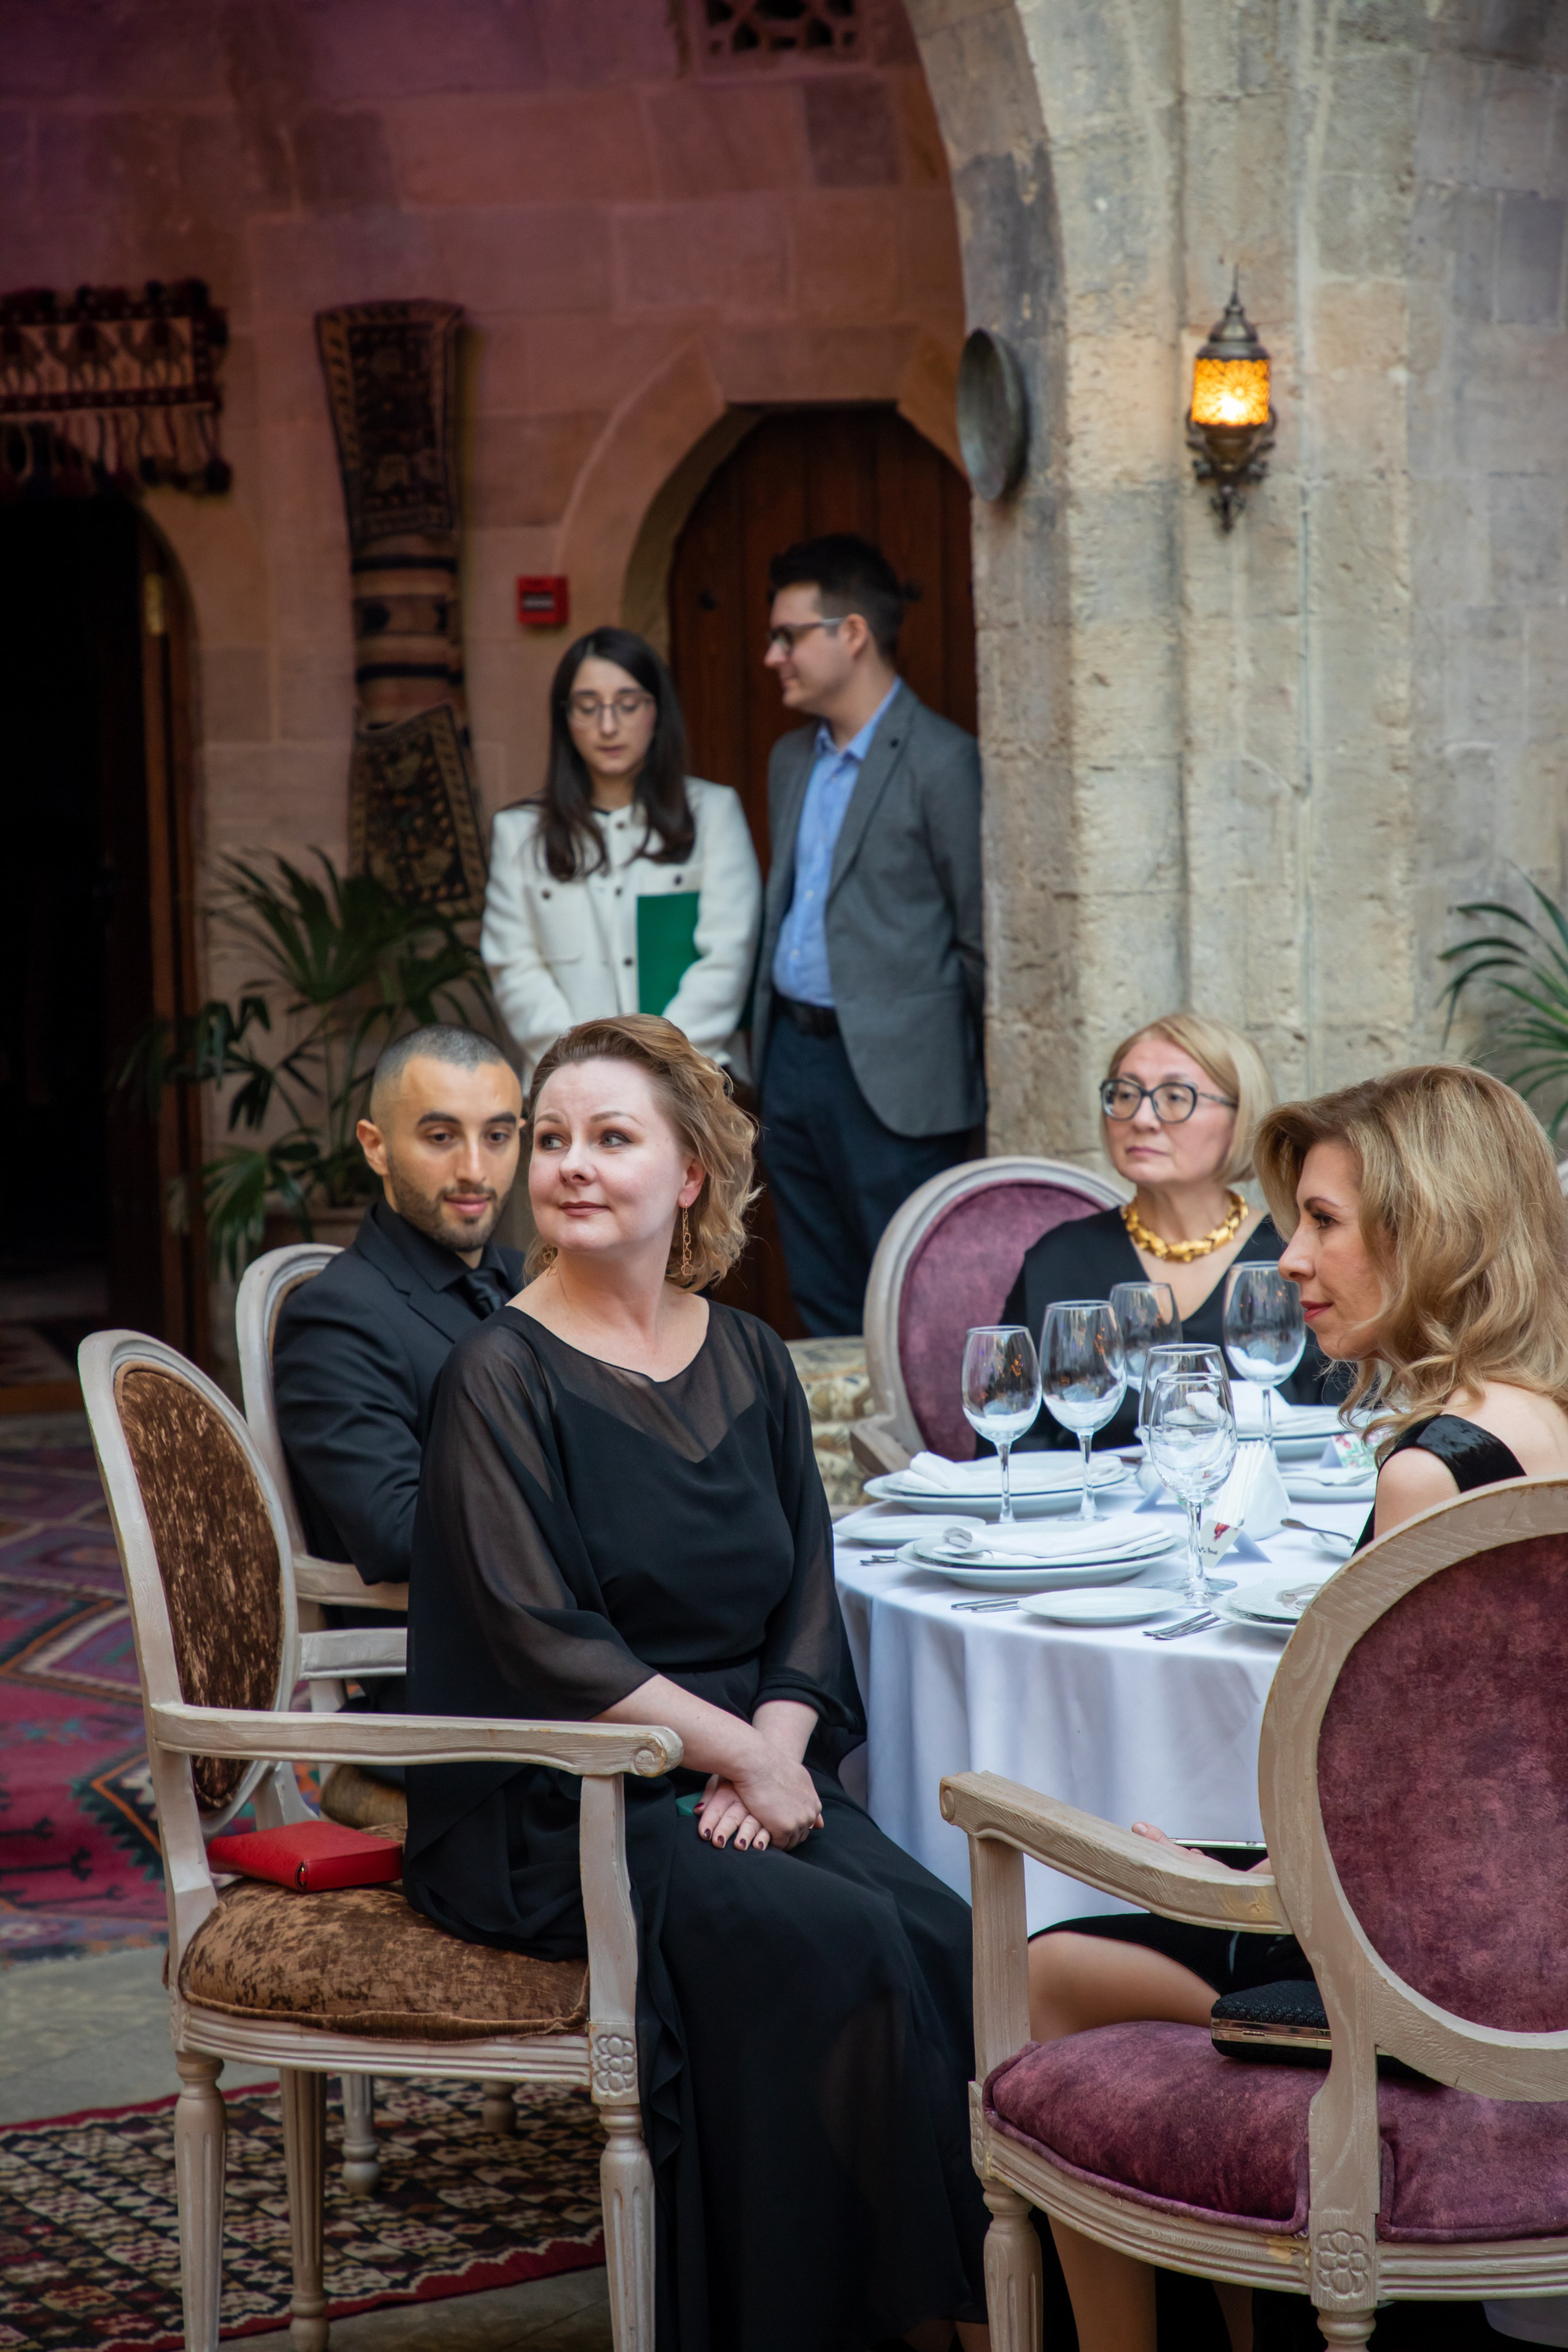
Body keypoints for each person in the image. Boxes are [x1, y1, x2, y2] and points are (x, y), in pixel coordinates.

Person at [401, 1014, 990, 2352]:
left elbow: (805, 1592)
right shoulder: (494, 1375)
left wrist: (772, 1746)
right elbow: (538, 1637)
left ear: (690, 1177)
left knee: (949, 1943)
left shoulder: (747, 1355)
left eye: (611, 1138)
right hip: (568, 1790)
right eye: (551, 1139)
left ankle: (968, 2308)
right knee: (830, 1947)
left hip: (737, 1760)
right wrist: (737, 1755)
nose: (569, 1165)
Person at [1025, 1062, 1568, 2352]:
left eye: (1324, 1220)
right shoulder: (1543, 1425)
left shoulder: (1433, 1481)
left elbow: (1386, 1867)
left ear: (1426, 1227)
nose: (1290, 1255)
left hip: (1424, 1989)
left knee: (1039, 1964)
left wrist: (1193, 1876)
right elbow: (1471, 1788)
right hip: (1539, 1952)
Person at [752, 533, 984, 1336]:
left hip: (899, 1081)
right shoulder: (790, 758)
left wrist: (973, 1088)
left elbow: (978, 940)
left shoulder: (944, 761)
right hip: (790, 1059)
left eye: (789, 635)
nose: (772, 654)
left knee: (915, 1304)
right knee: (820, 1297)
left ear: (850, 633)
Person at [273, 1025, 524, 1758]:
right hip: (464, 1700)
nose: (475, 1169)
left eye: (499, 1136)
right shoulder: (338, 1314)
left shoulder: (532, 1280)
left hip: (585, 1654)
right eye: (441, 1136)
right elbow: (397, 1529)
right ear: (376, 1145)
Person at [1003, 1011, 1328, 1451]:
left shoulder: (1298, 1252)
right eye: (1125, 1093)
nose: (1141, 1118)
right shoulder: (1060, 1260)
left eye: (1175, 1097)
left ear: (1241, 1116)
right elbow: (1009, 1445)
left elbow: (1352, 1431)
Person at [481, 626, 761, 1085]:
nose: (608, 726)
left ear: (657, 711)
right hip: (569, 1083)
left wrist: (659, 1067)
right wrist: (584, 1066)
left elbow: (727, 956)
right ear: (566, 719)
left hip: (695, 1078)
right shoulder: (520, 833)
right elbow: (516, 968)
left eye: (628, 705)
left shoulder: (712, 813)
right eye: (588, 708)